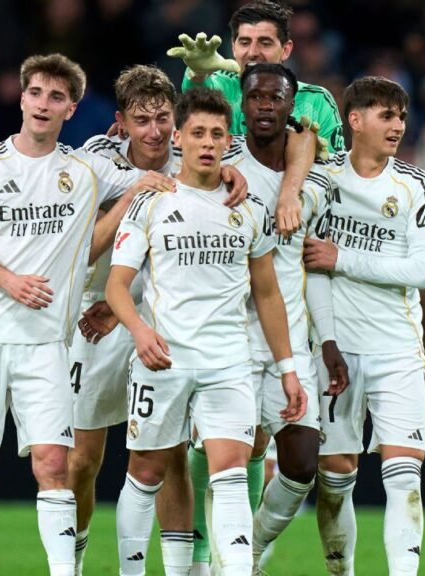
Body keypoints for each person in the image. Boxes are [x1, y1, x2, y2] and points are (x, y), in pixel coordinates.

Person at [0, 52, 176, 576]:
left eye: (56, 97)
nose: (44, 103)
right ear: (22, 98)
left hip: (47, 344)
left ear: (71, 108)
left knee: (55, 465)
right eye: (36, 93)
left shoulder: (83, 170)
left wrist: (140, 190)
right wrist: (11, 280)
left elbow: (139, 192)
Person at [106, 86, 306, 576]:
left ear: (228, 140)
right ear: (179, 138)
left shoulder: (248, 207)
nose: (208, 142)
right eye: (197, 132)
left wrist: (287, 368)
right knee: (147, 472)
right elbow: (116, 286)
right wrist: (138, 331)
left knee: (231, 474)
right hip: (164, 358)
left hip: (228, 362)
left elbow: (267, 293)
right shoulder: (150, 202)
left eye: (218, 133)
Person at [67, 64, 247, 576]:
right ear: (119, 124)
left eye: (163, 119)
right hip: (95, 317)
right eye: (141, 121)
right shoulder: (94, 162)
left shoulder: (199, 155)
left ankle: (182, 569)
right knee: (82, 459)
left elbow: (241, 162)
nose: (154, 132)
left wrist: (235, 172)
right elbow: (80, 255)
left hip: (158, 319)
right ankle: (72, 560)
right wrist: (132, 195)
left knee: (165, 456)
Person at [303, 77, 425, 575]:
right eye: (386, 115)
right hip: (336, 348)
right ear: (354, 121)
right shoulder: (319, 180)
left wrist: (343, 257)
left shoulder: (416, 185)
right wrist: (328, 340)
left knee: (404, 475)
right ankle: (341, 571)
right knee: (335, 477)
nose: (398, 126)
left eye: (401, 116)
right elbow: (311, 268)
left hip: (398, 348)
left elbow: (419, 272)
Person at [223, 62, 350, 570]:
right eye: (255, 97)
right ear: (244, 104)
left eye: (275, 98)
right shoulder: (221, 168)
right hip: (227, 340)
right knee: (223, 463)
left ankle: (249, 551)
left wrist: (327, 341)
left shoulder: (314, 184)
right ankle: (210, 560)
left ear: (290, 106)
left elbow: (313, 266)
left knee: (300, 467)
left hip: (289, 344)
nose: (264, 106)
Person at [168, 0, 341, 239]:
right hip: (225, 223)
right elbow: (195, 99)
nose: (253, 52)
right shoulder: (220, 87)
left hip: (292, 228)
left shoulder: (317, 101)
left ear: (286, 49)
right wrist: (197, 73)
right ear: (233, 46)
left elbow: (334, 178)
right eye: (244, 42)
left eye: (265, 42)